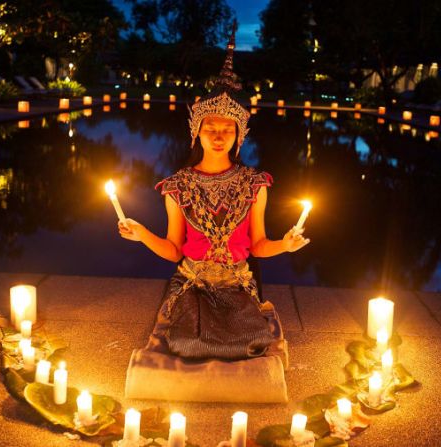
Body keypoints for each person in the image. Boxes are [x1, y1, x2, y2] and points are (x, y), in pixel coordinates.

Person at [117, 25, 309, 362]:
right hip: (194, 284)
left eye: (226, 130)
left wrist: (286, 245)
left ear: (239, 136)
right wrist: (143, 234)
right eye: (210, 129)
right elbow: (174, 249)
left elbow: (259, 245)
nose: (218, 136)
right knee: (188, 345)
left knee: (248, 343)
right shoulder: (178, 186)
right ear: (197, 133)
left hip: (236, 284)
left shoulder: (254, 183)